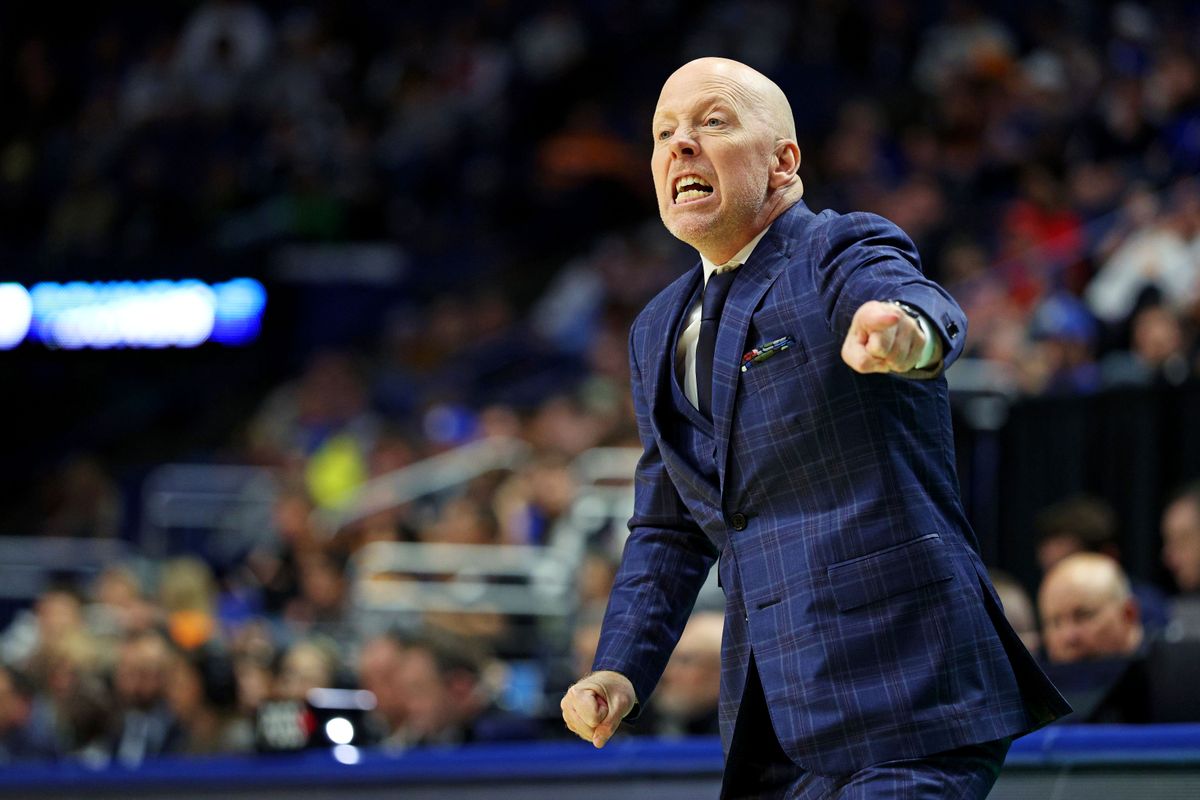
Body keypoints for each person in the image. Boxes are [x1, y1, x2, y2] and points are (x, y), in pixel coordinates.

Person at [560, 57, 1069, 799]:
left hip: (907, 693)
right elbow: (669, 526)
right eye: (663, 132)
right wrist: (621, 667)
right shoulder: (654, 330)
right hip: (773, 725)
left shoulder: (837, 250)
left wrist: (905, 335)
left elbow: (916, 304)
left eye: (712, 122)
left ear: (783, 162)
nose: (680, 146)